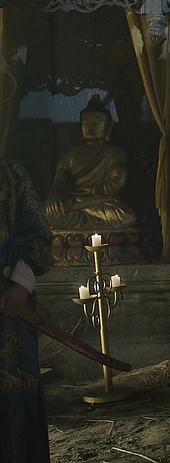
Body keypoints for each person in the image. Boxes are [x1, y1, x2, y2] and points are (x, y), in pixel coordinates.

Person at [1, 157, 54, 462]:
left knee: (13, 403)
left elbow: (37, 235)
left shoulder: (10, 174)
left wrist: (20, 286)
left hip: (8, 315)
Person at [45, 94, 136, 230]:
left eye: (98, 121)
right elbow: (59, 183)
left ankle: (79, 225)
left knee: (127, 217)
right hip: (75, 201)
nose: (91, 126)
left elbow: (118, 181)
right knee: (46, 214)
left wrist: (94, 191)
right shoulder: (69, 156)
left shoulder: (115, 152)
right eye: (86, 122)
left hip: (101, 201)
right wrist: (53, 196)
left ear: (109, 126)